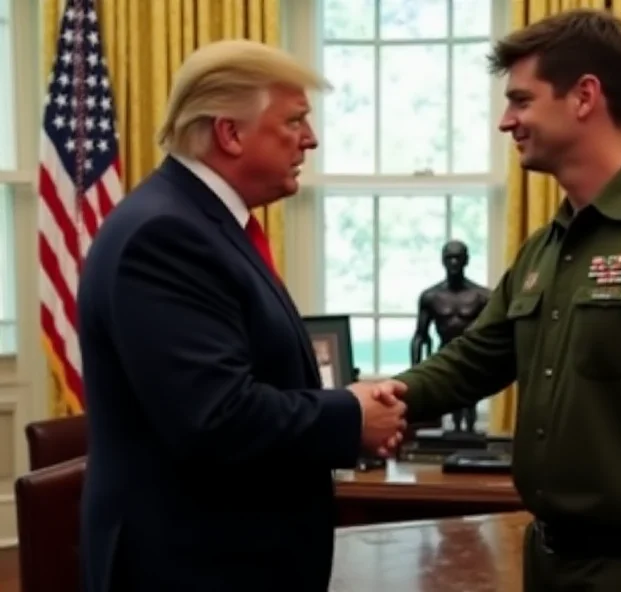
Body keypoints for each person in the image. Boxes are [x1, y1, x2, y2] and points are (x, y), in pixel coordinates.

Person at [372, 9, 621, 592]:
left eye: (521, 101)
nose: (507, 121)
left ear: (585, 96)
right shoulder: (545, 248)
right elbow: (479, 355)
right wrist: (378, 399)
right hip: (550, 562)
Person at [76, 40, 405, 592]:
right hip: (190, 565)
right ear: (230, 133)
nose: (311, 139)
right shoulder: (166, 235)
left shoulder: (201, 222)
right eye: (295, 121)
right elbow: (216, 417)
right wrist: (350, 416)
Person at [410, 239, 490, 432]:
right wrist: (415, 368)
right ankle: (455, 432)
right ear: (443, 261)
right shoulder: (431, 296)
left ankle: (469, 434)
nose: (454, 262)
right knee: (449, 401)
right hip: (445, 354)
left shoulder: (482, 296)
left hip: (472, 356)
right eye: (449, 258)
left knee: (470, 403)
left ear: (466, 261)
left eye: (458, 258)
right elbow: (421, 335)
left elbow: (492, 333)